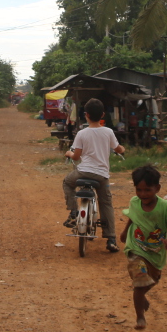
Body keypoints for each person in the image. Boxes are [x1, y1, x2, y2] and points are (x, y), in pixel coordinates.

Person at [119, 164, 167, 330]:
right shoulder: (134, 202)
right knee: (140, 281)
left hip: (155, 253)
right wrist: (125, 232)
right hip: (135, 249)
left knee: (151, 281)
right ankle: (140, 317)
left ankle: (141, 297)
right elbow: (133, 216)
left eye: (147, 190)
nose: (142, 194)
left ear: (157, 188)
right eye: (139, 190)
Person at [62, 98, 124, 252]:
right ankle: (111, 239)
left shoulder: (82, 133)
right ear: (103, 114)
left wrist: (69, 153)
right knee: (106, 203)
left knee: (67, 182)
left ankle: (74, 212)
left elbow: (76, 157)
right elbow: (117, 148)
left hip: (83, 172)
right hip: (102, 176)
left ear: (86, 115)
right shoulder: (108, 132)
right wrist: (122, 150)